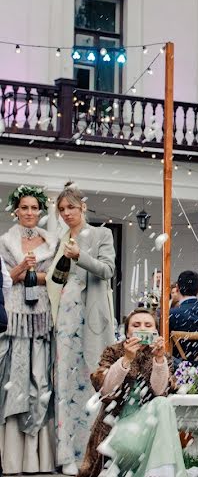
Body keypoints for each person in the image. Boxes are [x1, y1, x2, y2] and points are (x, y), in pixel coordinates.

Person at [49, 182, 117, 475]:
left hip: (90, 316)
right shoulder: (60, 239)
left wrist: (80, 257)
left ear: (83, 207)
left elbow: (108, 270)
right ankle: (67, 453)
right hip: (66, 313)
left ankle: (93, 452)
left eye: (71, 208)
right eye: (62, 209)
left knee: (93, 380)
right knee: (65, 383)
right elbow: (56, 278)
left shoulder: (102, 234)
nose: (67, 213)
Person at [78, 309, 185, 477]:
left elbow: (160, 392)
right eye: (136, 325)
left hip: (146, 430)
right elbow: (107, 392)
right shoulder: (113, 352)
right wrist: (126, 359)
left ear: (155, 332)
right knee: (162, 406)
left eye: (148, 325)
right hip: (115, 431)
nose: (142, 328)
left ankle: (158, 472)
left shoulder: (160, 356)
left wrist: (158, 359)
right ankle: (162, 472)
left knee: (162, 403)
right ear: (127, 331)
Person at [0, 185, 58, 474]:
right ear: (16, 210)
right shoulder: (4, 242)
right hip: (14, 317)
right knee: (14, 380)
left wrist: (37, 276)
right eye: (24, 207)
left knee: (40, 380)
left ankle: (40, 459)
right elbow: (5, 279)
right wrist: (22, 267)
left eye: (34, 208)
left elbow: (59, 276)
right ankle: (11, 459)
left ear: (40, 212)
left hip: (42, 316)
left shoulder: (52, 242)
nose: (29, 213)